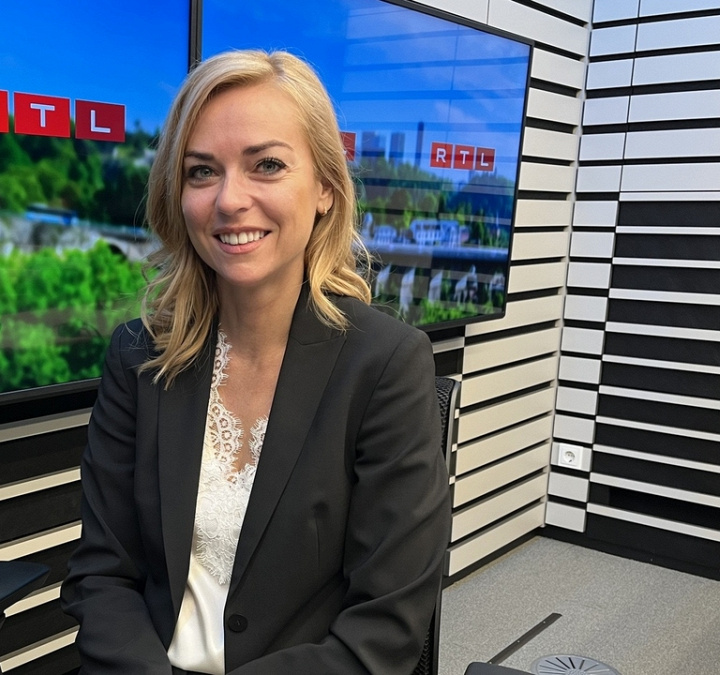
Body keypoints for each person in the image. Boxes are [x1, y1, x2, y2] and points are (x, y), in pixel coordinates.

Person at [60, 49, 449, 674]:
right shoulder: (137, 356)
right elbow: (102, 573)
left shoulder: (385, 366)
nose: (229, 200)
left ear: (325, 188)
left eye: (267, 165)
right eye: (201, 172)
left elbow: (385, 627)